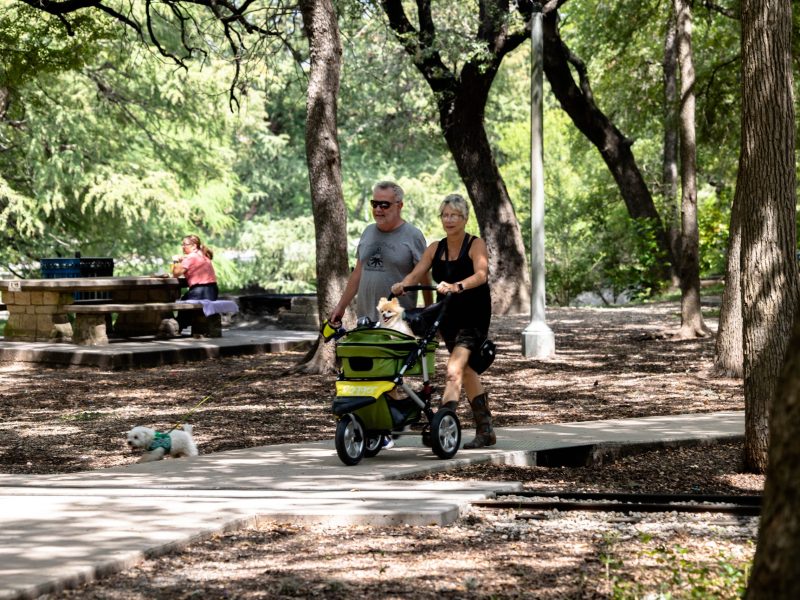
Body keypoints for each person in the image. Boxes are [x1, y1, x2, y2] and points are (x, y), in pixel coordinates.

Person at [391, 193, 495, 449]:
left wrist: (459, 285)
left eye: (454, 216)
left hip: (473, 317)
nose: (449, 220)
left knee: (453, 370)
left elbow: (482, 274)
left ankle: (441, 422)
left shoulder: (475, 244)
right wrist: (404, 284)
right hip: (448, 317)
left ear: (465, 218)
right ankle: (486, 430)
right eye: (445, 215)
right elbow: (418, 271)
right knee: (466, 370)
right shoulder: (436, 247)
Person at [330, 181, 432, 325]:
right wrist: (341, 306)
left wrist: (428, 313)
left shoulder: (413, 235)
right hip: (365, 320)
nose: (378, 209)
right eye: (374, 204)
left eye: (385, 205)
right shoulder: (367, 232)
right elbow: (358, 273)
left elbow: (424, 277)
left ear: (399, 205)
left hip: (398, 322)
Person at [172, 234, 218, 331]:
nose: (183, 247)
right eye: (182, 244)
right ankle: (181, 325)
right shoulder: (203, 255)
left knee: (183, 303)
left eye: (185, 244)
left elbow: (176, 274)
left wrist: (175, 260)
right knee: (185, 299)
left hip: (200, 291)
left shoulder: (190, 257)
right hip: (213, 291)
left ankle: (178, 326)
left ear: (194, 246)